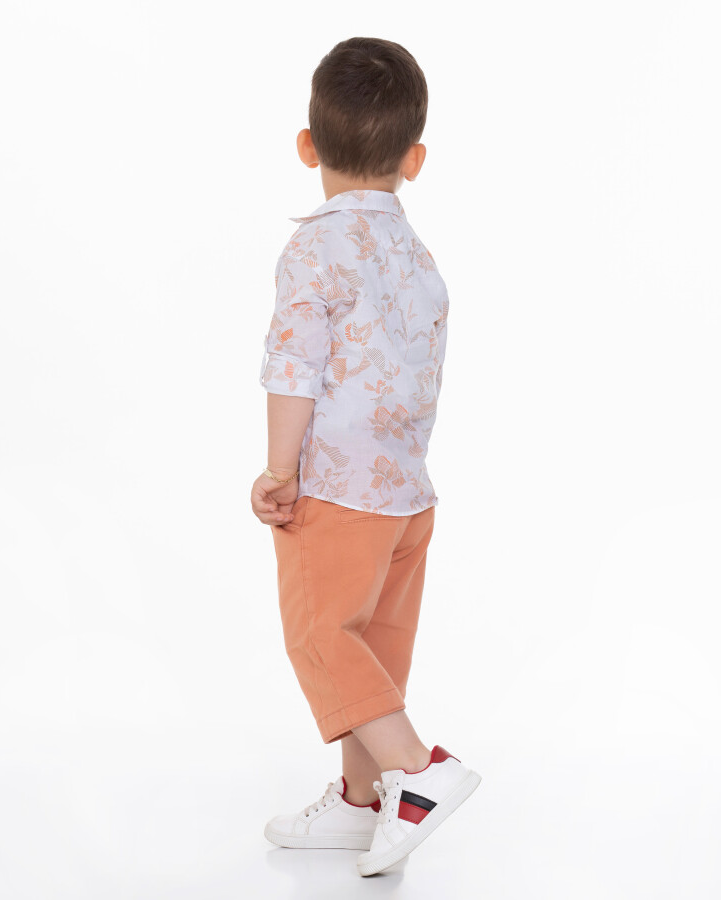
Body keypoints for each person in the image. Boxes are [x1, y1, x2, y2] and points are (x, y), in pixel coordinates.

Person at [250, 36, 481, 877]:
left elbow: (293, 369)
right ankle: (361, 799)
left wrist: (280, 473)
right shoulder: (419, 259)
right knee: (374, 648)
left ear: (307, 146)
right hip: (407, 498)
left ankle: (419, 772)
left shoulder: (314, 248)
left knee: (321, 637)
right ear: (413, 159)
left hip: (339, 492)